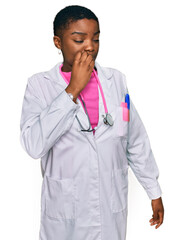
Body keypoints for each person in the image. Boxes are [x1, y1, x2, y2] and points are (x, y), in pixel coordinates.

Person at [19, 5, 164, 240]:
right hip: (65, 214)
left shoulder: (115, 82)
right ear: (58, 42)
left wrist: (153, 190)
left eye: (95, 39)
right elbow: (33, 145)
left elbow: (133, 139)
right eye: (79, 39)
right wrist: (72, 90)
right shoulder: (40, 86)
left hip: (109, 210)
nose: (89, 46)